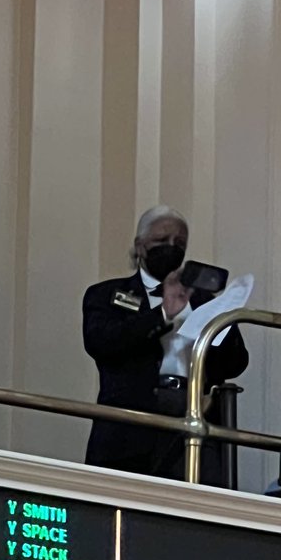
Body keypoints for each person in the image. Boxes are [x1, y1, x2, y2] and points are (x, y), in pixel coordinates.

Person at [83, 205, 248, 485]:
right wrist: (162, 314)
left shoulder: (202, 301)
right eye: (161, 241)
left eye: (179, 243)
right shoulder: (107, 294)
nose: (171, 247)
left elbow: (235, 363)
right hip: (128, 428)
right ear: (140, 246)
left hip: (191, 422)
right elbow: (103, 342)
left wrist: (224, 314)